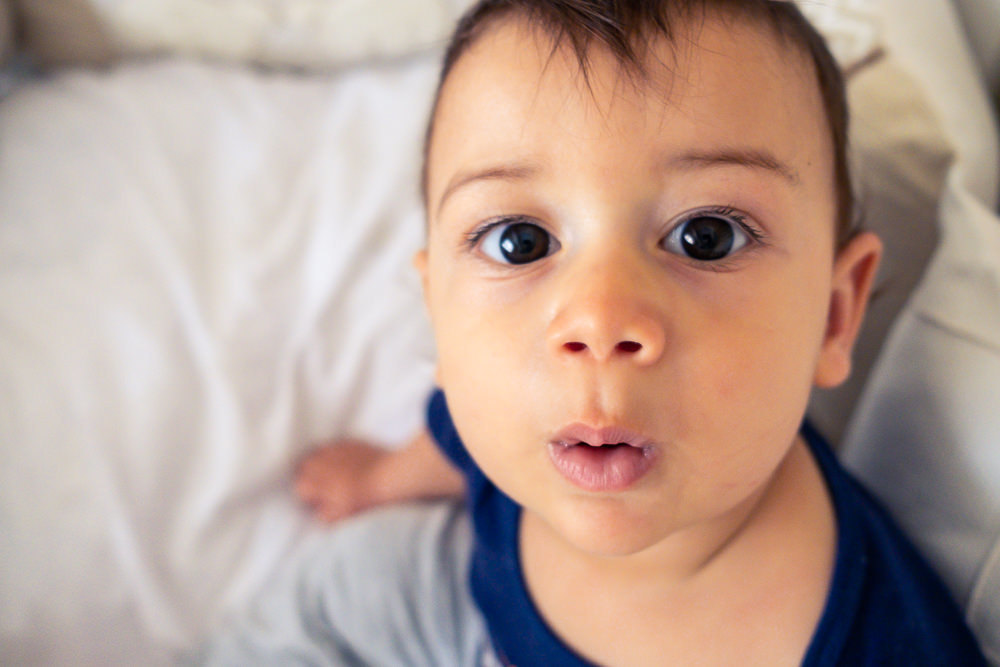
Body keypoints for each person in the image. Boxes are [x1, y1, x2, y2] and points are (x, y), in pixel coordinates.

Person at [205, 1, 987, 664]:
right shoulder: (513, 420)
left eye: (706, 236)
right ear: (438, 312)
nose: (599, 319)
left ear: (834, 313)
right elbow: (451, 440)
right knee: (347, 579)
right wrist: (379, 482)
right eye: (520, 241)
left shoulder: (890, 640)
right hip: (462, 605)